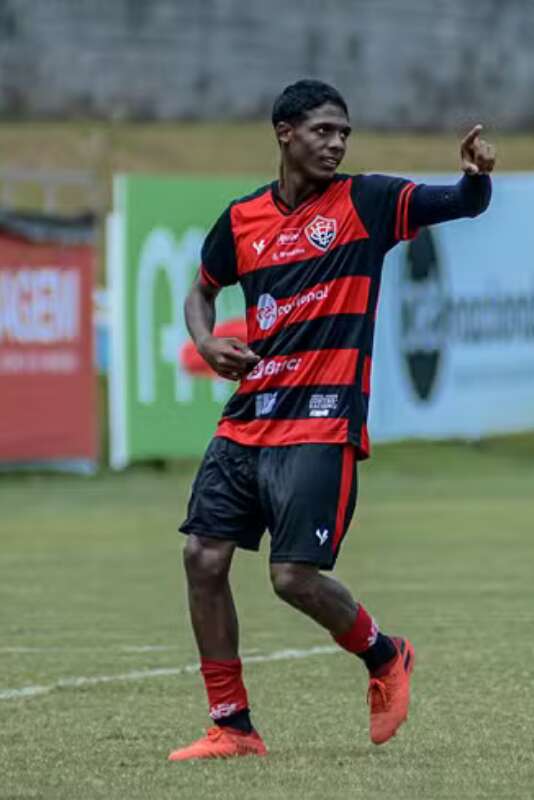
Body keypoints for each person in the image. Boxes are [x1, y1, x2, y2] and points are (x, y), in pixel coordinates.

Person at [169, 79, 495, 761]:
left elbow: (458, 204)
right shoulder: (242, 220)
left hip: (322, 421)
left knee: (292, 578)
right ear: (285, 133)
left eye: (344, 133)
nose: (337, 143)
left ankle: (385, 655)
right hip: (251, 414)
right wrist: (204, 342)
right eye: (323, 131)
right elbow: (201, 290)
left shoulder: (367, 202)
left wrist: (474, 180)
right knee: (202, 555)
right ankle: (232, 725)